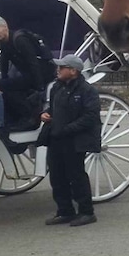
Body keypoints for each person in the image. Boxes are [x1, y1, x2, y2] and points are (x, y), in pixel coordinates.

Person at [39, 55, 101, 227]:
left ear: (73, 71)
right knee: (57, 176)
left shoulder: (87, 91)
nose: (58, 70)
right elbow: (53, 108)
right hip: (56, 138)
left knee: (76, 176)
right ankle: (65, 211)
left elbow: (90, 117)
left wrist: (68, 129)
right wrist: (45, 114)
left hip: (74, 140)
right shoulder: (57, 88)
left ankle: (87, 212)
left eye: (62, 67)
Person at [0, 15, 56, 131]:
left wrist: (40, 87)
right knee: (1, 85)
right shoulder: (4, 42)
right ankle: (13, 118)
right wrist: (3, 82)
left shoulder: (20, 40)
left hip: (42, 73)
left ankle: (30, 117)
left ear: (5, 27)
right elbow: (4, 62)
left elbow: (33, 63)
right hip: (28, 74)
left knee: (7, 86)